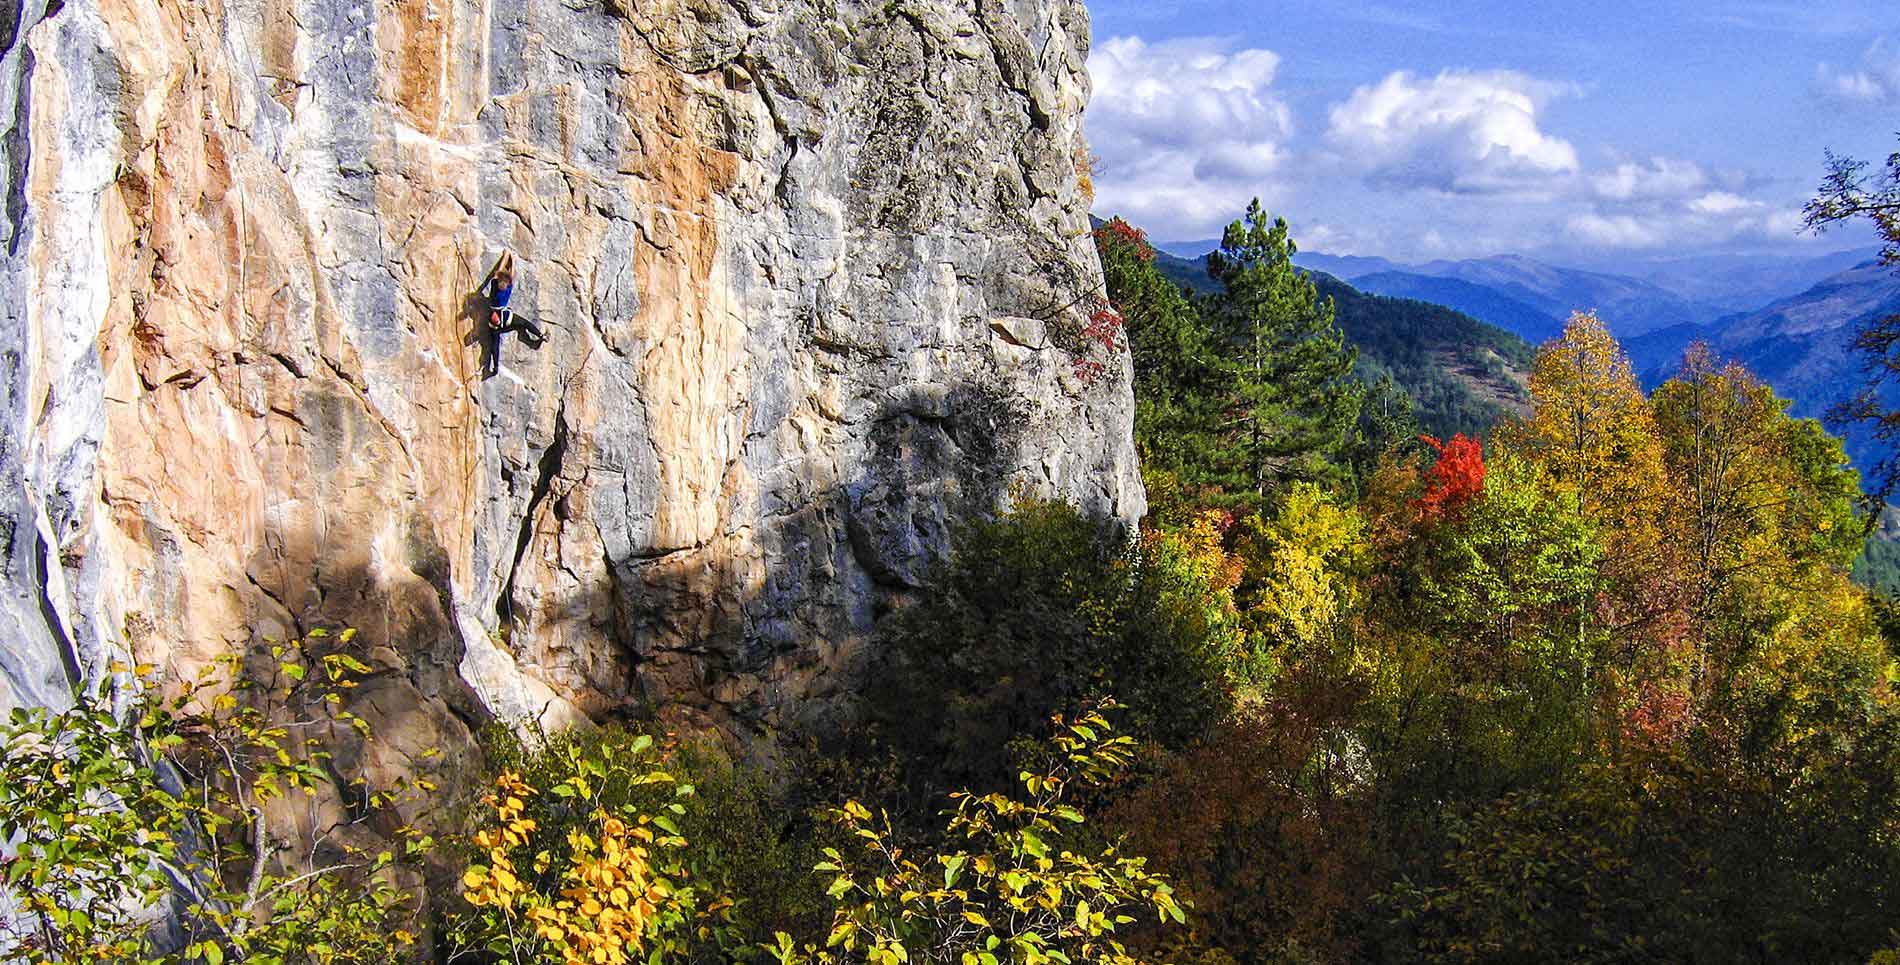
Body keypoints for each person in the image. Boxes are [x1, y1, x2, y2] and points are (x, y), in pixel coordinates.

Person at [480, 251, 545, 376]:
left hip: (495, 321)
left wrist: (505, 256)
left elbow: (497, 272)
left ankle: (495, 366)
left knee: (495, 343)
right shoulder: (508, 288)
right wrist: (513, 261)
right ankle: (540, 335)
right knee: (524, 323)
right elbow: (512, 275)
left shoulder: (494, 287)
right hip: (507, 318)